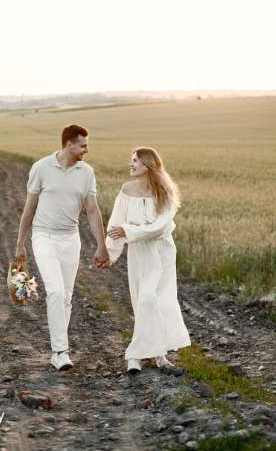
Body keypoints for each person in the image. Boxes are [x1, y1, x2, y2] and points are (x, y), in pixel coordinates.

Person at [15, 124, 110, 371]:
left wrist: (101, 245)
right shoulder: (41, 168)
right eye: (83, 145)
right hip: (44, 237)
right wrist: (20, 244)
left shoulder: (86, 172)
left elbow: (92, 210)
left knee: (66, 297)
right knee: (55, 292)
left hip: (71, 239)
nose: (86, 150)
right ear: (69, 144)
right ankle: (60, 351)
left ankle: (59, 348)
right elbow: (29, 208)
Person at [105, 147, 191, 373]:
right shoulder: (126, 190)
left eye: (135, 161)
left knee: (157, 302)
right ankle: (152, 355)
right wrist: (109, 253)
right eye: (130, 160)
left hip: (161, 252)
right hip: (139, 253)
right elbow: (115, 225)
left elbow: (160, 227)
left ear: (148, 165)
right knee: (143, 302)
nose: (130, 164)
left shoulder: (166, 192)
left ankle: (144, 356)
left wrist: (128, 231)